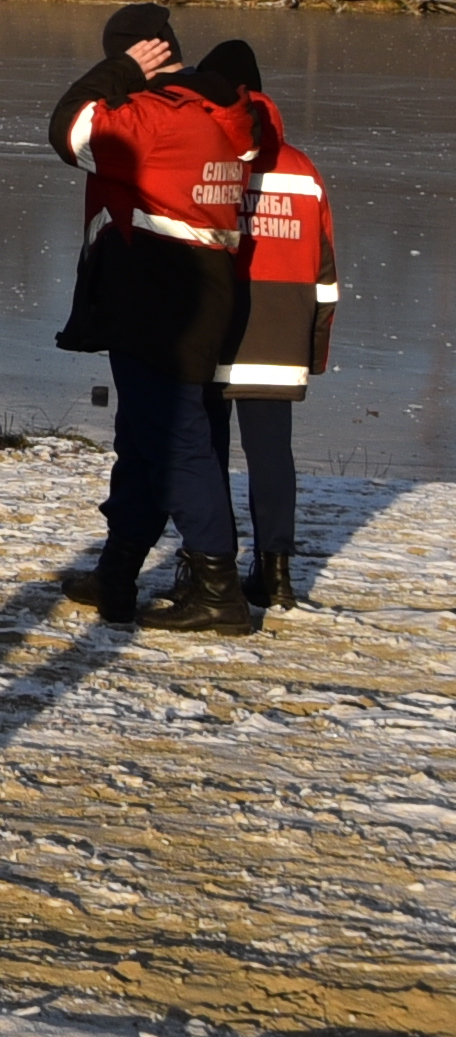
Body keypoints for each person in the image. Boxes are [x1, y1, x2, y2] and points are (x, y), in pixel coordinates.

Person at [45, 3, 263, 634]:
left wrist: (112, 72)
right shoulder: (218, 114)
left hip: (158, 300)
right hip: (198, 292)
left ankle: (218, 589)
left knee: (177, 444)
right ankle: (116, 576)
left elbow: (71, 131)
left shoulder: (155, 117)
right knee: (143, 445)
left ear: (137, 54)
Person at [198, 39, 336, 611]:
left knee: (204, 451)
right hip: (283, 330)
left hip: (215, 322)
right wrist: (315, 346)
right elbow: (325, 270)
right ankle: (276, 573)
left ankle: (216, 565)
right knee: (271, 455)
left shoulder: (207, 158)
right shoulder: (303, 171)